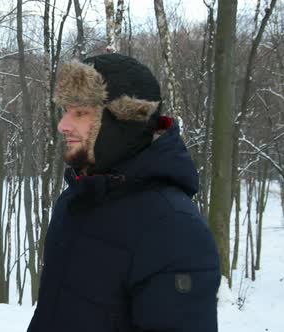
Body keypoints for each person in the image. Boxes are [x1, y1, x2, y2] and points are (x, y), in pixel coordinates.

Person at [27, 53, 221, 332]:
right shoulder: (75, 202)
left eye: (80, 113)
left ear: (123, 122)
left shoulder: (174, 228)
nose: (63, 125)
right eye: (65, 111)